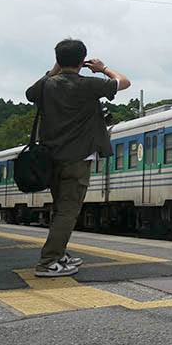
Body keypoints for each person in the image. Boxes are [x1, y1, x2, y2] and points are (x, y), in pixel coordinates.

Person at [25, 38, 130, 277]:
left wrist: (56, 68)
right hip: (78, 158)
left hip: (51, 158)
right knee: (68, 211)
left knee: (60, 208)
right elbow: (123, 82)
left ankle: (59, 255)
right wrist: (102, 68)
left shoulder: (46, 85)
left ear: (58, 60)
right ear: (82, 61)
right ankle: (48, 261)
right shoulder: (87, 85)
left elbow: (30, 93)